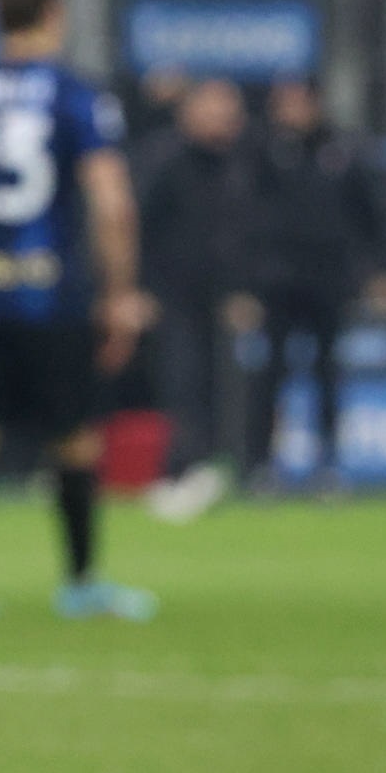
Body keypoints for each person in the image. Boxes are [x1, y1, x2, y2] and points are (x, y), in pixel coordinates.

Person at [0, 0, 156, 624]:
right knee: (74, 438)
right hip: (52, 290)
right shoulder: (72, 93)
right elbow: (112, 201)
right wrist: (120, 292)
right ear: (53, 14)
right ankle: (80, 583)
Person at [229, 77, 386, 498]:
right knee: (269, 376)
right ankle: (260, 466)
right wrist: (242, 285)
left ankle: (328, 465)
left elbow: (371, 215)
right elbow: (240, 222)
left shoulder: (342, 151)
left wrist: (380, 271)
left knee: (327, 373)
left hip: (328, 279)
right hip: (276, 281)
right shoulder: (261, 154)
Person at [134, 78, 254, 523]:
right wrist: (135, 288)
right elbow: (137, 223)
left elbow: (247, 234)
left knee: (219, 386)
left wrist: (243, 288)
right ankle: (177, 473)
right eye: (214, 109)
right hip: (169, 294)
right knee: (181, 383)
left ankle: (219, 467)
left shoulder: (243, 163)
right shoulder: (162, 158)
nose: (224, 120)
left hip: (221, 296)